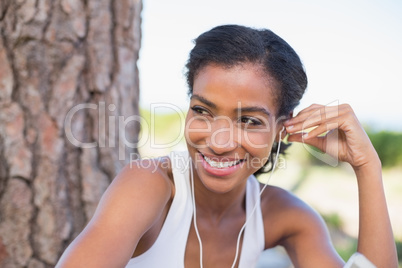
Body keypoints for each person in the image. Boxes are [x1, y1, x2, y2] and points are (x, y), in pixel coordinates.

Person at [56, 25, 398, 268]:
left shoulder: (284, 216)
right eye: (203, 111)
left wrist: (366, 165)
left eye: (248, 121)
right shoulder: (149, 186)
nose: (219, 143)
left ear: (282, 128)